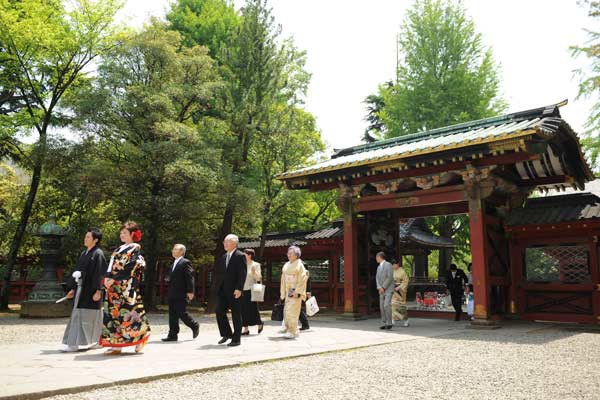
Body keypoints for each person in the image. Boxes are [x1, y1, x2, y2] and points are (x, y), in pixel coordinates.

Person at [101, 221, 151, 354]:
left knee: (130, 314)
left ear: (132, 234)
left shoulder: (135, 248)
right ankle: (117, 344)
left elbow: (132, 266)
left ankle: (141, 337)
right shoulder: (118, 249)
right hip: (113, 287)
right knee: (113, 314)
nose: (121, 235)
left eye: (124, 233)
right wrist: (106, 278)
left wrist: (114, 279)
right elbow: (110, 265)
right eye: (121, 233)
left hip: (126, 286)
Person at [61, 228, 108, 352]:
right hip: (81, 288)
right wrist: (72, 288)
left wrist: (98, 290)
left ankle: (97, 341)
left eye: (88, 237)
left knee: (94, 317)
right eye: (85, 236)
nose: (85, 239)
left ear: (95, 240)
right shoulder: (84, 253)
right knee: (78, 315)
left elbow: (100, 274)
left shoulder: (98, 254)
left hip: (92, 290)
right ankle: (73, 343)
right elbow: (78, 270)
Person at [162, 244, 199, 342]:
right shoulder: (173, 263)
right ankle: (172, 335)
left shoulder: (185, 262)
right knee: (172, 314)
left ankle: (194, 325)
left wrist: (191, 291)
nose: (172, 251)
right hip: (172, 292)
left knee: (181, 313)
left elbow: (189, 277)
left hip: (181, 292)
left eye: (175, 249)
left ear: (181, 252)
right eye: (173, 249)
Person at [214, 234, 246, 347]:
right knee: (219, 311)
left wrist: (239, 288)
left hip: (234, 290)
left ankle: (236, 339)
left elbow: (242, 274)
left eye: (227, 242)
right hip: (223, 290)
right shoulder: (224, 256)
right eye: (224, 242)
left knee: (236, 314)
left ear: (234, 243)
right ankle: (226, 333)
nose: (225, 244)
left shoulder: (240, 255)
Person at [279, 245, 308, 339]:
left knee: (293, 312)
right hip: (288, 290)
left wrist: (298, 291)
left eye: (291, 253)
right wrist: (283, 291)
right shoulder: (287, 264)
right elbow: (283, 279)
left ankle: (293, 331)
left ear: (296, 255)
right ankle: (289, 329)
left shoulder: (300, 265)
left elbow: (303, 279)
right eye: (288, 253)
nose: (289, 255)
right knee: (287, 311)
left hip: (295, 291)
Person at [241, 249, 264, 335]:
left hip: (251, 290)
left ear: (250, 255)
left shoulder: (256, 265)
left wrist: (254, 272)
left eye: (245, 254)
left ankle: (259, 323)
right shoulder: (241, 264)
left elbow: (258, 278)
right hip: (242, 289)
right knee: (242, 310)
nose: (243, 255)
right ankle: (245, 329)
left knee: (253, 309)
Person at [375, 252, 394, 330]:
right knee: (381, 306)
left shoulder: (388, 264)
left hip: (388, 288)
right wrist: (379, 287)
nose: (376, 259)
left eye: (376, 257)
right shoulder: (378, 267)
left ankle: (389, 322)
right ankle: (384, 322)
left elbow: (390, 277)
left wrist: (383, 287)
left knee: (386, 305)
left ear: (379, 257)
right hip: (381, 289)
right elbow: (376, 278)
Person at [390, 260, 410, 327]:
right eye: (392, 265)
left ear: (398, 264)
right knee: (393, 304)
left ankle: (406, 320)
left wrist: (399, 287)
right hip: (393, 290)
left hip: (400, 291)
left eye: (394, 264)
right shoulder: (391, 271)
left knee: (401, 306)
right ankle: (392, 320)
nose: (393, 266)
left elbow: (406, 281)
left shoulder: (402, 271)